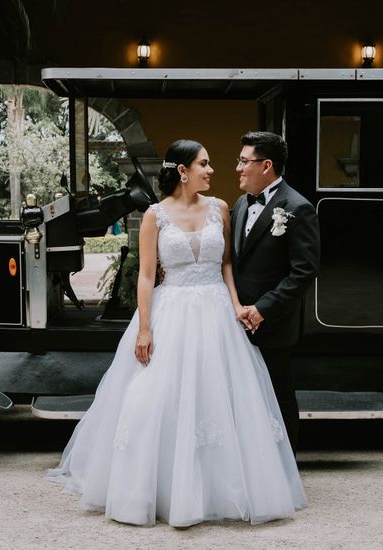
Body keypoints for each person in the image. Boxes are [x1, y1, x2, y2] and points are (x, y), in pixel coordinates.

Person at [47, 139, 306, 527]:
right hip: (172, 312)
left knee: (218, 397)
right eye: (204, 164)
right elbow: (148, 275)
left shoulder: (221, 208)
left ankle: (218, 488)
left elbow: (227, 266)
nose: (212, 170)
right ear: (183, 171)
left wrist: (235, 305)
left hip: (217, 311)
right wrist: (145, 328)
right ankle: (159, 488)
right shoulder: (155, 215)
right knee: (155, 398)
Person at [231, 131, 321, 453]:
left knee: (277, 394)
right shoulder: (241, 203)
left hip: (273, 322)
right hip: (237, 319)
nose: (238, 168)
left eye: (244, 161)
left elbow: (304, 270)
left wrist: (262, 309)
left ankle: (283, 468)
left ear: (266, 165)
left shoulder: (298, 207)